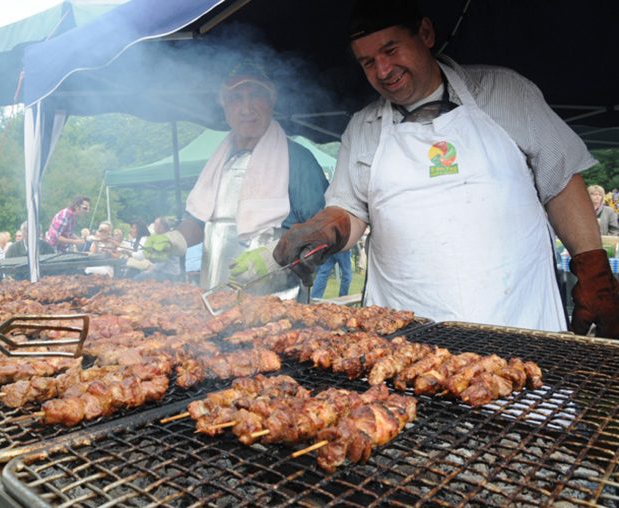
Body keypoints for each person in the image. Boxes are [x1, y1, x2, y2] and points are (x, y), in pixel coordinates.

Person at [273, 0, 619, 338]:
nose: (382, 71)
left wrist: (592, 268)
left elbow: (560, 180)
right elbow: (349, 209)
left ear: (424, 33)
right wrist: (324, 229)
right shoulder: (363, 127)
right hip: (408, 335)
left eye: (391, 50)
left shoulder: (506, 93)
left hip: (520, 320)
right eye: (367, 62)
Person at [143, 61, 328, 295]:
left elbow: (322, 233)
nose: (246, 108)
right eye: (235, 98)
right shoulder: (217, 162)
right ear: (224, 106)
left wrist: (274, 256)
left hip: (279, 300)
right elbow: (200, 222)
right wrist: (175, 239)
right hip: (215, 295)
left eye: (256, 96)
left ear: (271, 101)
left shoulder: (299, 161)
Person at [135, 217, 182, 282]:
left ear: (161, 228)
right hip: (171, 272)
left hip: (168, 274)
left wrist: (150, 269)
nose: (154, 228)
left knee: (138, 278)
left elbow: (162, 261)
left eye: (155, 225)